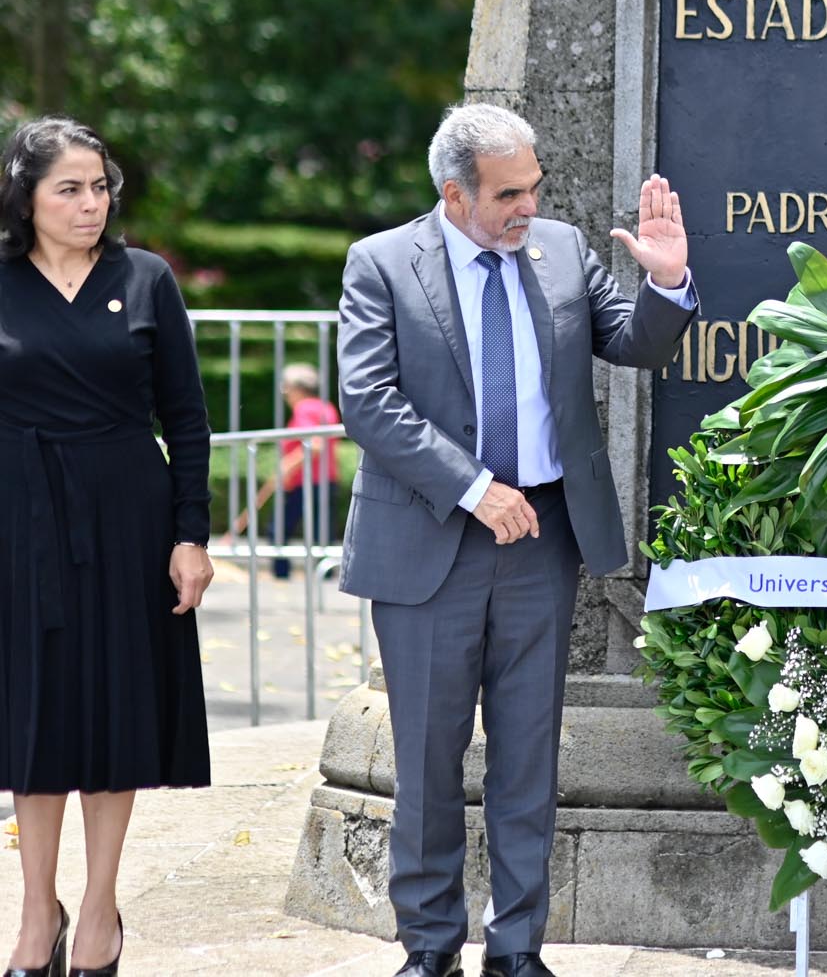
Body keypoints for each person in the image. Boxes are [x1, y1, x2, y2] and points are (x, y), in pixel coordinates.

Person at [339, 103, 696, 977]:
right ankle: (428, 946)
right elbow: (369, 403)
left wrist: (669, 283)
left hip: (542, 539)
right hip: (432, 538)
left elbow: (634, 344)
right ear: (455, 194)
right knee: (426, 756)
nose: (527, 205)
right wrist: (473, 487)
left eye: (534, 187)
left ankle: (516, 946)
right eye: (508, 193)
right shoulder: (382, 264)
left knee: (529, 751)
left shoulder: (563, 251)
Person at [1, 116, 214, 977]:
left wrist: (190, 534)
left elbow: (188, 418)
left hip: (131, 516)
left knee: (117, 710)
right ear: (27, 195)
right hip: (21, 518)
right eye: (70, 188)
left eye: (101, 188)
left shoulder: (147, 278)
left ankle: (97, 913)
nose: (92, 204)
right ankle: (33, 912)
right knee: (35, 718)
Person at [230, 362, 342, 578]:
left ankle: (281, 578)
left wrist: (286, 466)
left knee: (278, 532)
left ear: (297, 388)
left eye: (286, 387)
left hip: (303, 482)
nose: (285, 393)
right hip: (327, 479)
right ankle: (323, 582)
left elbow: (315, 444)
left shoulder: (305, 409)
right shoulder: (326, 407)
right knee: (322, 535)